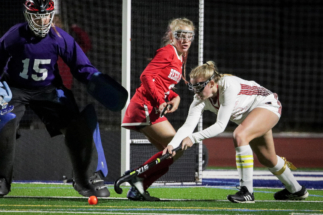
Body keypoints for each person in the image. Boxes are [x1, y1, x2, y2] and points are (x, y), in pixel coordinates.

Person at [0, 0, 127, 198]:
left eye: (46, 15)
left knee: (79, 123)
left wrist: (95, 78)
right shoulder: (14, 35)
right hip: (16, 88)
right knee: (2, 119)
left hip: (49, 89)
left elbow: (82, 66)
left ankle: (87, 176)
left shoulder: (60, 38)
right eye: (37, 16)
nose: (42, 21)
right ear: (27, 16)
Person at [164, 61, 309, 203]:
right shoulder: (200, 98)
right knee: (267, 158)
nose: (196, 92)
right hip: (251, 116)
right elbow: (188, 126)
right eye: (193, 87)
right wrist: (172, 144)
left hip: (267, 105)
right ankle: (297, 190)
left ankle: (247, 192)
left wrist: (193, 138)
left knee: (240, 135)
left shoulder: (228, 86)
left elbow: (220, 126)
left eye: (199, 87)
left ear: (212, 83)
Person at [121, 18, 195, 201]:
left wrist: (174, 97)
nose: (185, 40)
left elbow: (162, 84)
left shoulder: (180, 57)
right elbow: (146, 76)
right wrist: (160, 100)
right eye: (180, 36)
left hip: (152, 108)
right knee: (175, 145)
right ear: (172, 36)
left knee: (168, 155)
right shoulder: (168, 52)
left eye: (189, 36)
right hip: (144, 106)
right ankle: (137, 175)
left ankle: (138, 188)